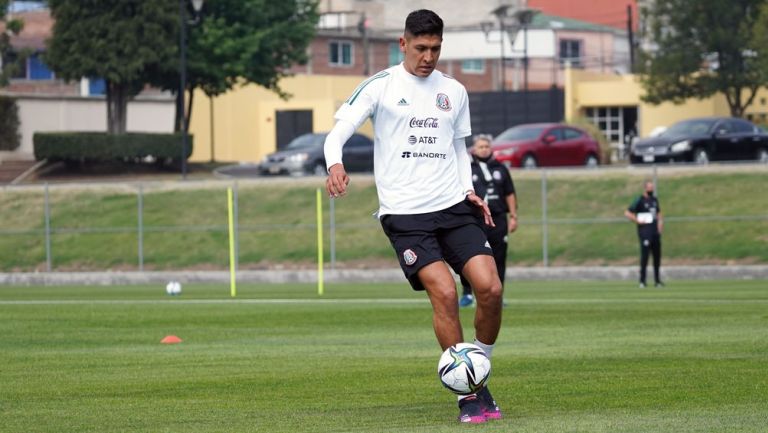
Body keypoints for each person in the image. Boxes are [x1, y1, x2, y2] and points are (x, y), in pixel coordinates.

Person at [323, 9, 503, 424]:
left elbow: (459, 148)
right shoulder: (381, 86)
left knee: (490, 288)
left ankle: (477, 368)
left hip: (454, 207)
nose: (428, 56)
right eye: (420, 48)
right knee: (442, 292)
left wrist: (469, 189)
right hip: (405, 214)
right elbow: (339, 132)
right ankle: (469, 395)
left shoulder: (454, 91)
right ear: (402, 44)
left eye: (435, 49)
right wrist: (334, 164)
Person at [458, 135, 517, 308]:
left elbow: (510, 193)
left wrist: (513, 216)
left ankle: (497, 294)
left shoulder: (501, 169)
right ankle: (468, 294)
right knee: (470, 258)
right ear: (474, 149)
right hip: (475, 219)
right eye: (480, 146)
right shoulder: (468, 169)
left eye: (486, 146)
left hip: (498, 219)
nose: (484, 149)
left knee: (499, 258)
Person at [624, 180, 664, 288]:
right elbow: (627, 213)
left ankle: (657, 281)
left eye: (652, 187)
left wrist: (660, 224)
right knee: (645, 257)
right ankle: (642, 281)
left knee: (657, 257)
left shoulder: (654, 200)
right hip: (645, 232)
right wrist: (637, 220)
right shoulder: (639, 200)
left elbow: (659, 213)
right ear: (645, 188)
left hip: (655, 232)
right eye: (649, 187)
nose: (651, 190)